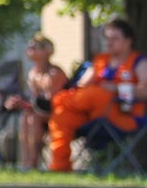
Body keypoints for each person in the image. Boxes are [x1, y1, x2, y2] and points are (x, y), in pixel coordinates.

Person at [47, 18, 147, 172]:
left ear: (128, 41)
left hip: (122, 115)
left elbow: (144, 90)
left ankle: (58, 100)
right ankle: (60, 166)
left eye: (114, 38)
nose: (109, 42)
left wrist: (117, 88)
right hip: (91, 114)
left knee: (96, 93)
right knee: (62, 115)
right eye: (107, 38)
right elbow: (81, 86)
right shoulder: (101, 60)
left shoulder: (139, 62)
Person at [3, 33, 68, 170]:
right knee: (27, 116)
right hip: (41, 113)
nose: (29, 50)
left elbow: (51, 104)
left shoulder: (54, 73)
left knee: (33, 118)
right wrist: (20, 103)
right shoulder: (33, 73)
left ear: (46, 51)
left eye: (34, 47)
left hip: (60, 114)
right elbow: (34, 101)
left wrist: (25, 104)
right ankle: (26, 161)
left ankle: (32, 162)